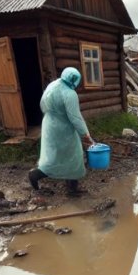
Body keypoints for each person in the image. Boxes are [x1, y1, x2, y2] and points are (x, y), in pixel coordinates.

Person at [29, 67, 94, 195]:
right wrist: (85, 134)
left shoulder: (53, 85)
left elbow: (42, 105)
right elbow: (75, 118)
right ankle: (71, 189)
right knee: (74, 157)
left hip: (49, 124)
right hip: (63, 128)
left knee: (52, 155)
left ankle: (36, 175)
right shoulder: (69, 94)